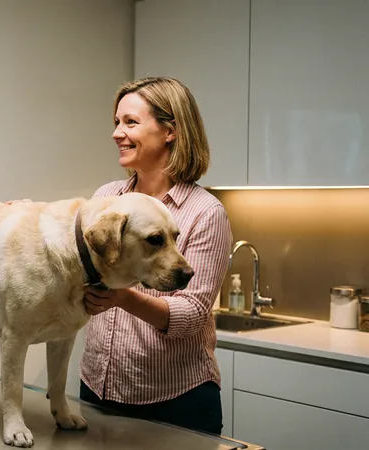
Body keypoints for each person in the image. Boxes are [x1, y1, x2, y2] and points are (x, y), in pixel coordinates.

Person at [78, 77, 233, 435]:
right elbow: (77, 261)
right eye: (116, 123)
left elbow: (192, 315)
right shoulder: (108, 196)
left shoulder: (205, 212)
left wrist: (121, 297)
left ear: (170, 131)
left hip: (173, 401)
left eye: (130, 122)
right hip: (97, 386)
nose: (117, 133)